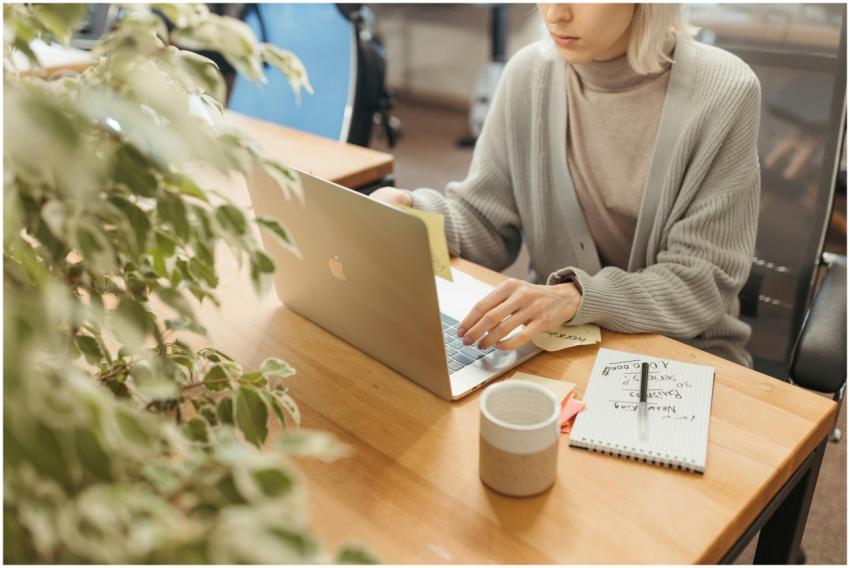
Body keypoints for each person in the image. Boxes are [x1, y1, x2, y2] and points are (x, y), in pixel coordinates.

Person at [370, 4, 761, 367]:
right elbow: (485, 218)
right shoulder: (527, 75)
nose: (555, 14)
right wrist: (414, 213)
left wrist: (574, 297)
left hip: (683, 352)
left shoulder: (725, 91)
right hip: (557, 341)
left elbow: (701, 281)